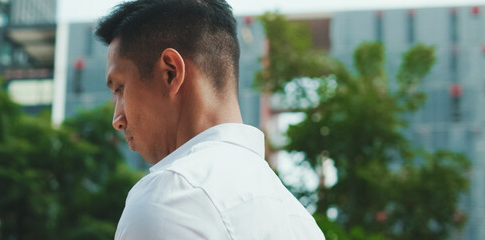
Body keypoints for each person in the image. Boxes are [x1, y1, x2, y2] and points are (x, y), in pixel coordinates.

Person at [95, 0, 325, 239]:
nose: (118, 120)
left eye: (120, 88)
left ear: (170, 72)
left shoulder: (170, 198)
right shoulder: (301, 221)